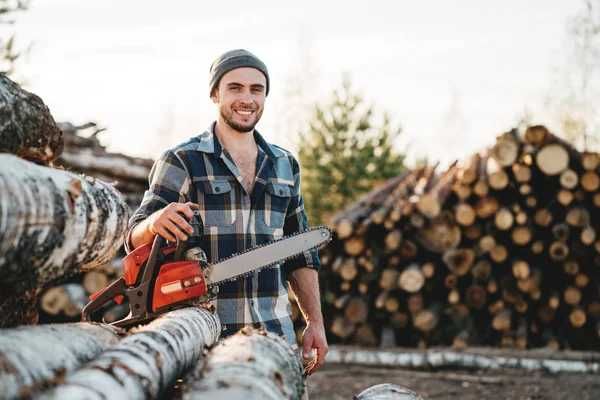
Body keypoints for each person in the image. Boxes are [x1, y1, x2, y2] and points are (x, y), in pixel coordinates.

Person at [125, 49, 328, 376]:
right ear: (215, 93)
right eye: (235, 88)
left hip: (275, 337)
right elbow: (132, 237)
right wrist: (152, 224)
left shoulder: (284, 165)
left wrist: (314, 322)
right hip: (204, 339)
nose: (246, 98)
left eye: (256, 89)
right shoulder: (183, 160)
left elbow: (300, 254)